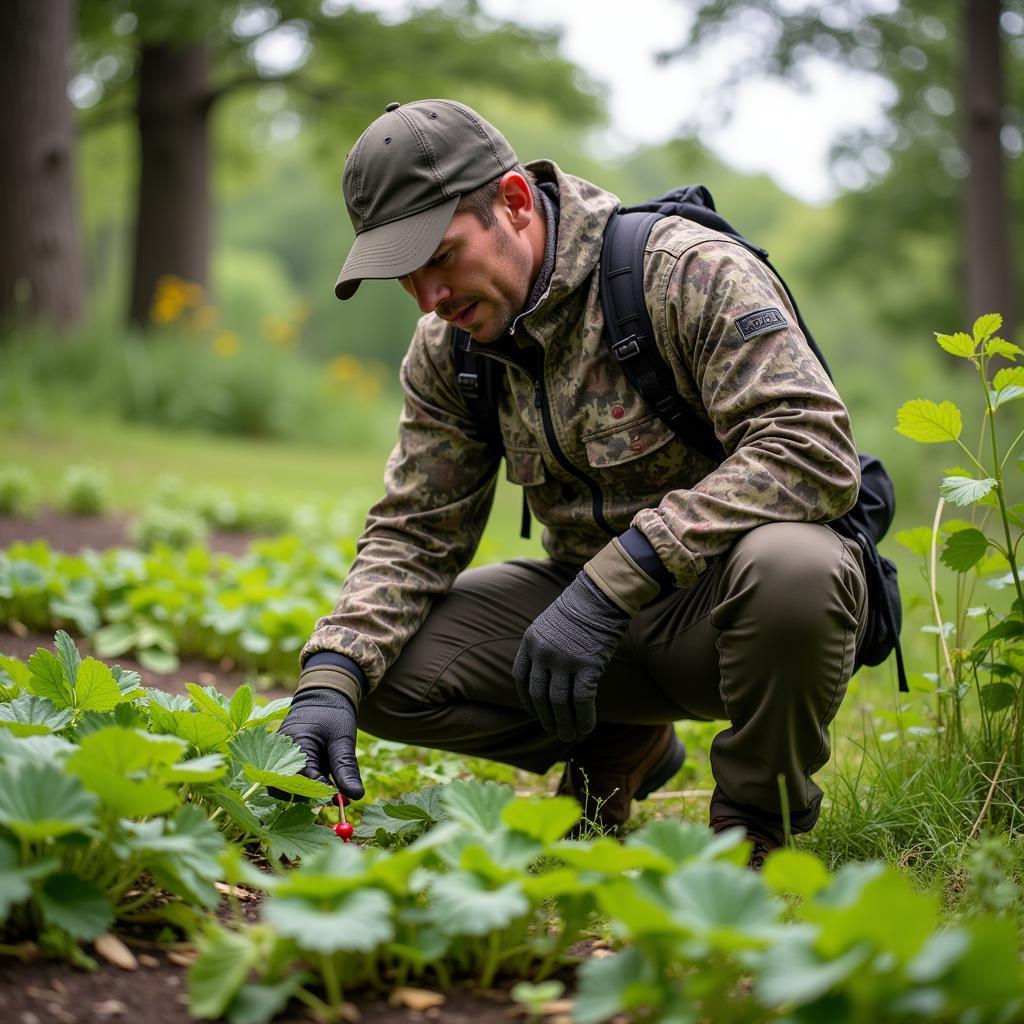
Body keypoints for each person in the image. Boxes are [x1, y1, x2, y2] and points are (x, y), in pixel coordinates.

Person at [278, 99, 867, 867]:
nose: (427, 298)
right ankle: (620, 742)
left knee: (799, 569)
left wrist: (611, 583)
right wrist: (331, 675)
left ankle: (753, 830)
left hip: (723, 617)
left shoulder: (682, 273)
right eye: (404, 276)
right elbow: (416, 528)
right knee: (380, 675)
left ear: (515, 203)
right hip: (581, 623)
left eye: (441, 256)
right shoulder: (447, 348)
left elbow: (813, 447)